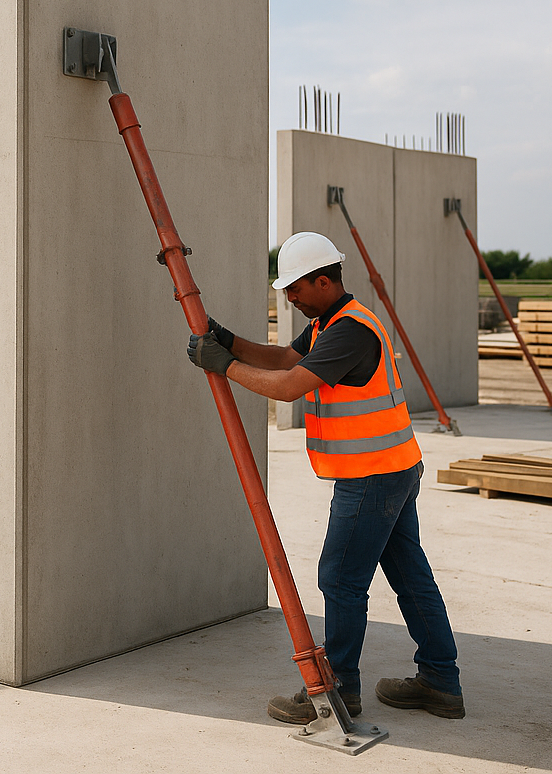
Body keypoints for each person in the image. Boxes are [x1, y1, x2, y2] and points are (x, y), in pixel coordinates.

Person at [186, 231, 465, 723]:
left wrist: (224, 366)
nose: (288, 297)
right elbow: (285, 359)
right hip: (393, 468)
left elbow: (290, 386)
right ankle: (440, 681)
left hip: (371, 476)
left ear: (323, 280)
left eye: (294, 287)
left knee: (339, 578)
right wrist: (227, 339)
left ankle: (337, 691)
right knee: (409, 575)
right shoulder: (329, 322)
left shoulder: (349, 332)